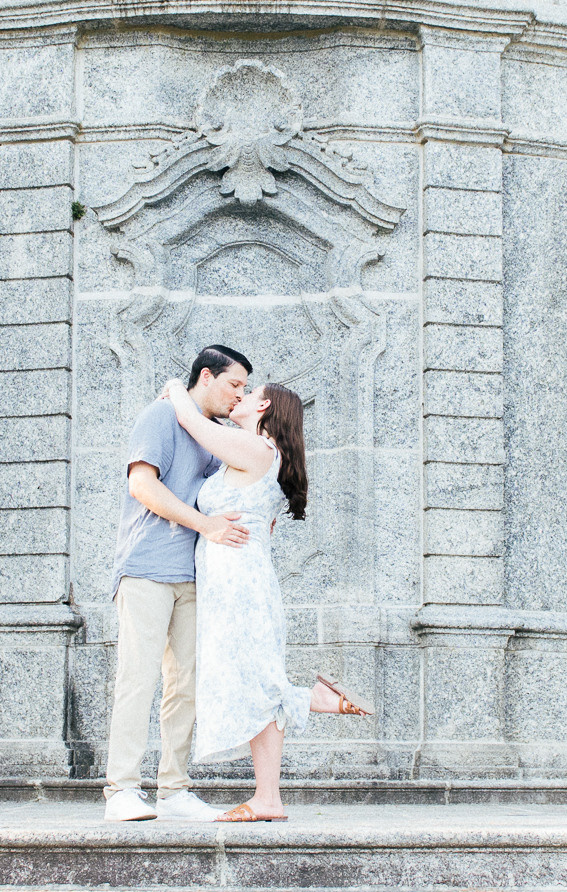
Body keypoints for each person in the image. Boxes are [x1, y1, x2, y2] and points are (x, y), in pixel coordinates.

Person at [160, 377, 370, 823]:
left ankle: (271, 793)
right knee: (253, 679)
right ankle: (311, 709)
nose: (240, 397)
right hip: (233, 583)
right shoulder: (251, 456)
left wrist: (176, 386)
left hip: (241, 585)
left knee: (258, 681)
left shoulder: (257, 449)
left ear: (265, 408)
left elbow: (189, 419)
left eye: (249, 393)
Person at [102, 345, 255, 823]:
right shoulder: (160, 416)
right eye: (235, 384)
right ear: (205, 377)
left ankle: (173, 791)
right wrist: (206, 526)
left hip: (193, 575)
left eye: (246, 389)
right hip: (147, 567)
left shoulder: (211, 433)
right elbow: (142, 487)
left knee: (186, 685)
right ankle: (121, 790)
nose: (240, 395)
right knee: (138, 678)